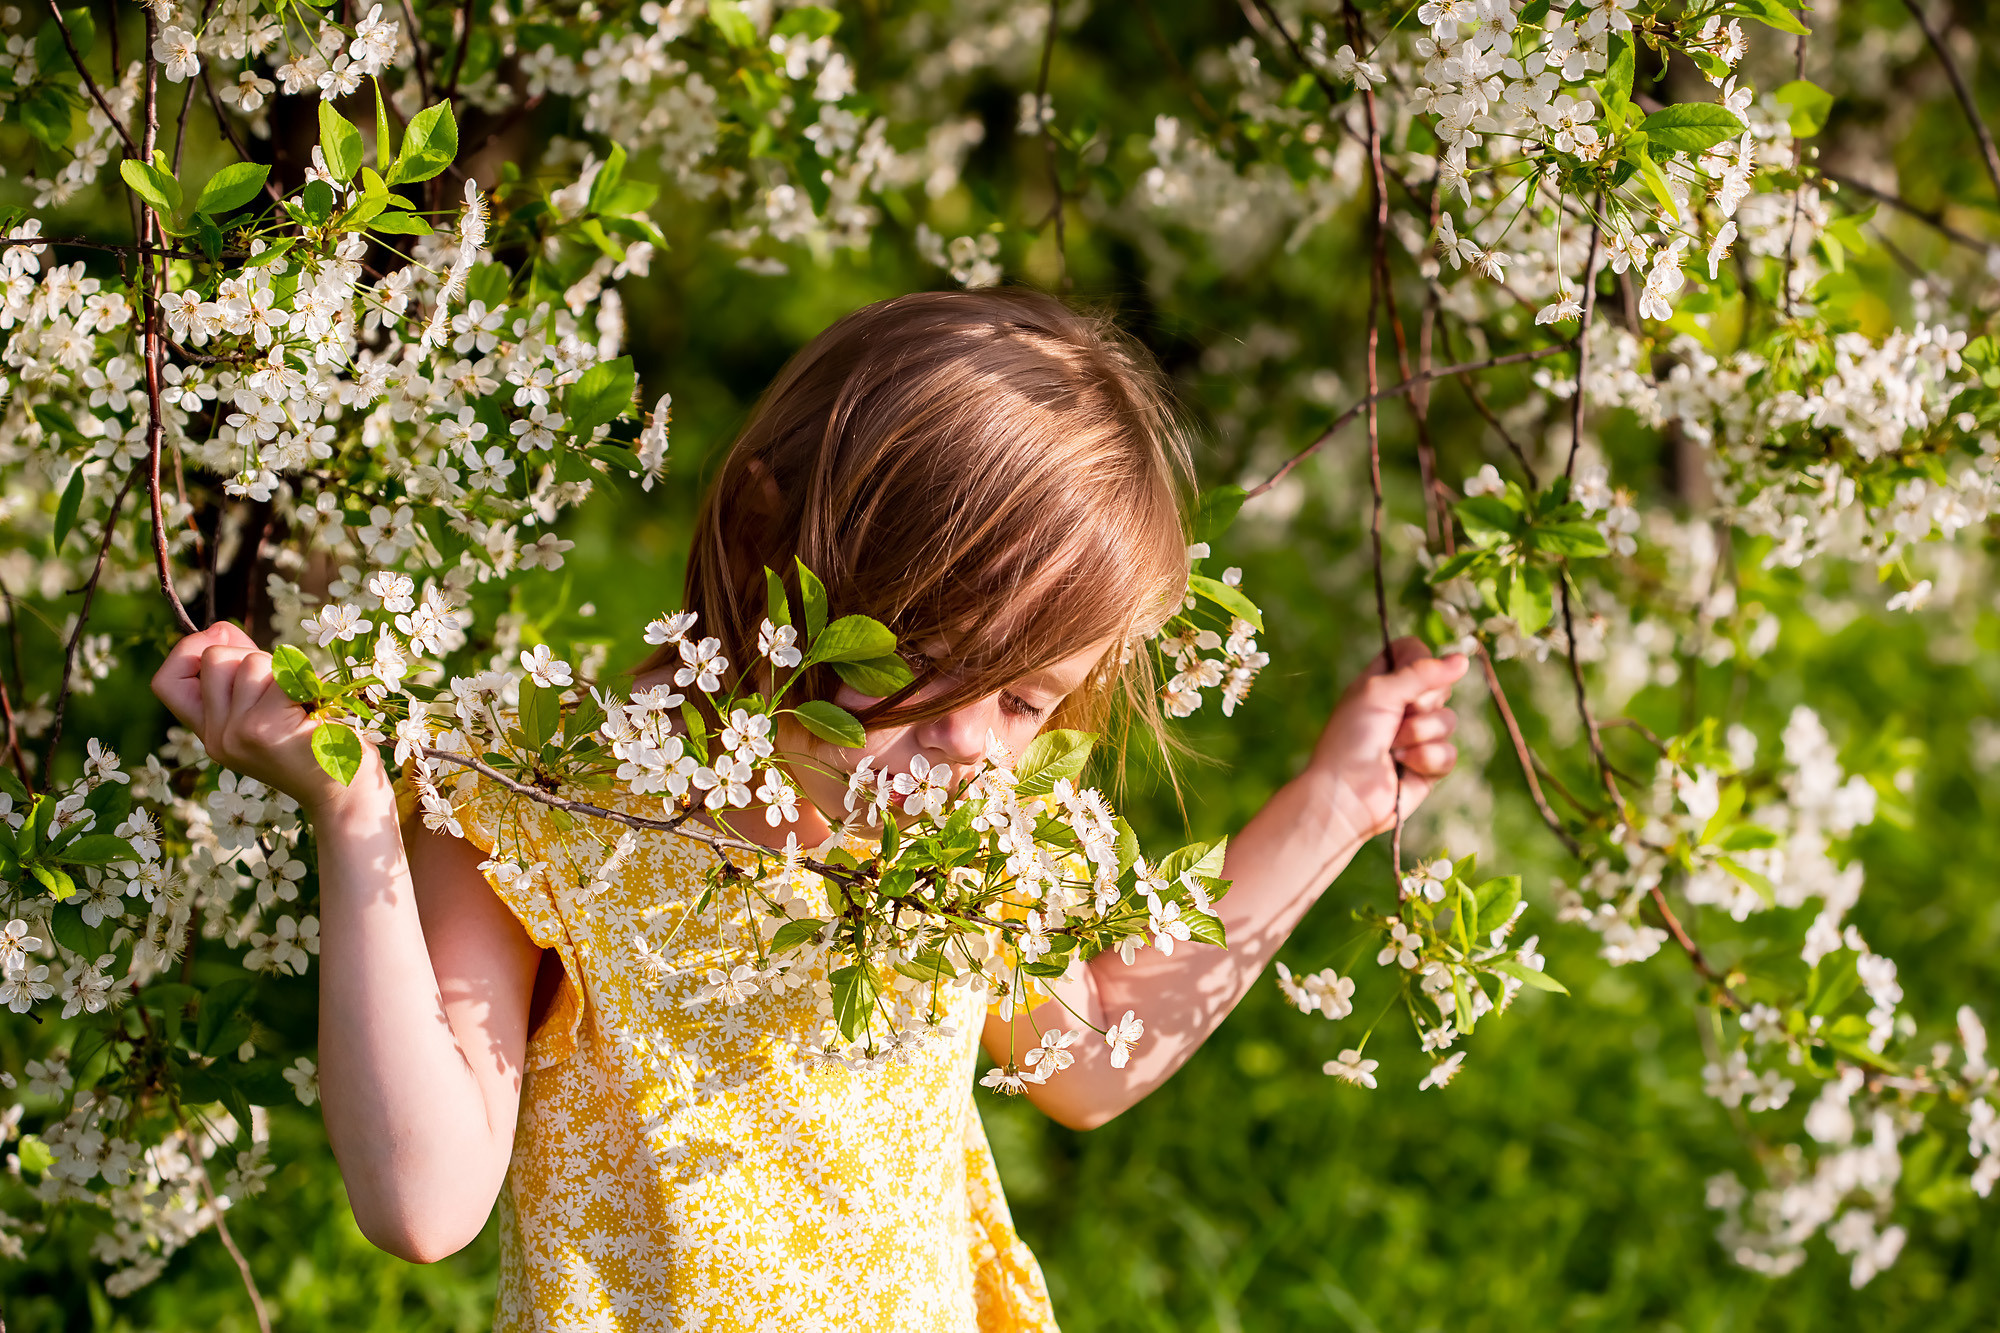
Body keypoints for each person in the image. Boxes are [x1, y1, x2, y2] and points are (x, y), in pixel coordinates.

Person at [151, 287, 1467, 1332]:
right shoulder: (541, 809)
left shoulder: (972, 837)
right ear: (769, 541)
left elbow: (1092, 1051)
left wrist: (1341, 799)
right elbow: (422, 1197)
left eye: (1024, 703)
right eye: (924, 650)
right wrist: (355, 821)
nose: (966, 740)